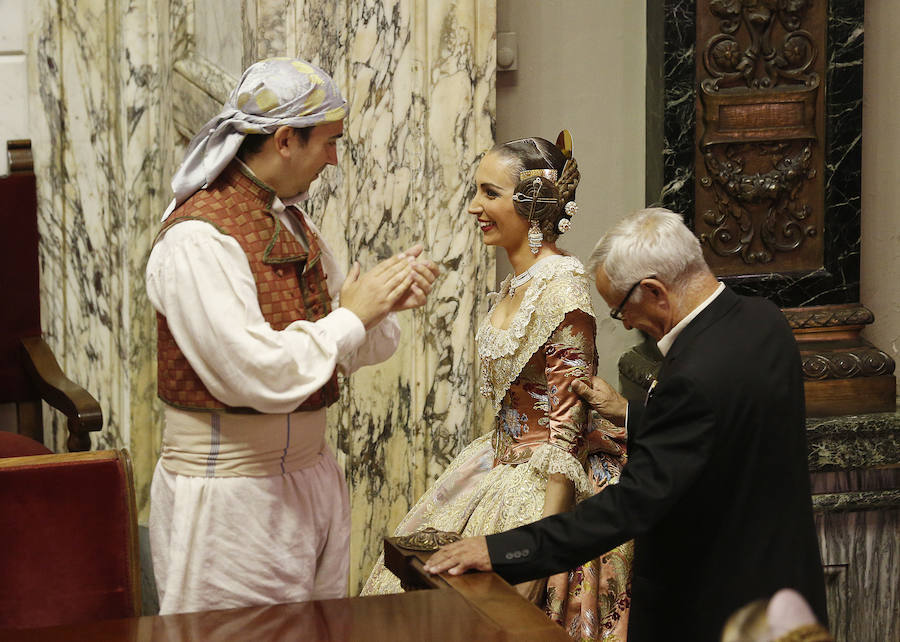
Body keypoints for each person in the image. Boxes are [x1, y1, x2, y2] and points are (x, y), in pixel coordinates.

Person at [425, 208, 827, 641]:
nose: (627, 323)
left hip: (722, 609)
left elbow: (627, 508)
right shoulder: (764, 320)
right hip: (791, 590)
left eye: (620, 311)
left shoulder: (690, 379)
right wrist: (632, 414)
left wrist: (498, 549)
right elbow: (725, 422)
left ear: (654, 290)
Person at [146, 58, 439, 615]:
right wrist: (353, 316)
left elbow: (337, 346)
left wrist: (381, 302)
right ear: (284, 140)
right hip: (231, 496)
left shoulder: (289, 222)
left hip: (308, 476)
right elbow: (254, 372)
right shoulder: (198, 239)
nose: (333, 157)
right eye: (328, 142)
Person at [362, 133, 632, 640]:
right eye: (477, 192)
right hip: (496, 464)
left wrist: (543, 555)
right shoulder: (518, 284)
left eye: (490, 193)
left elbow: (565, 430)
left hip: (546, 486)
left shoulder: (563, 287)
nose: (474, 207)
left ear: (531, 203)